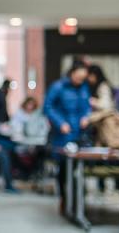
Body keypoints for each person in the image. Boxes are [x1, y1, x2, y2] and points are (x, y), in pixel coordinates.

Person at [43, 60, 91, 214]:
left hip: (80, 134)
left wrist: (86, 116)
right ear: (72, 73)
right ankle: (64, 199)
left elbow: (86, 107)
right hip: (62, 135)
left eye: (83, 78)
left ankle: (78, 202)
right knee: (64, 169)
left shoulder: (84, 87)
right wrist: (60, 123)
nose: (80, 81)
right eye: (78, 77)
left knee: (79, 169)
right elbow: (47, 107)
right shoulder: (58, 87)